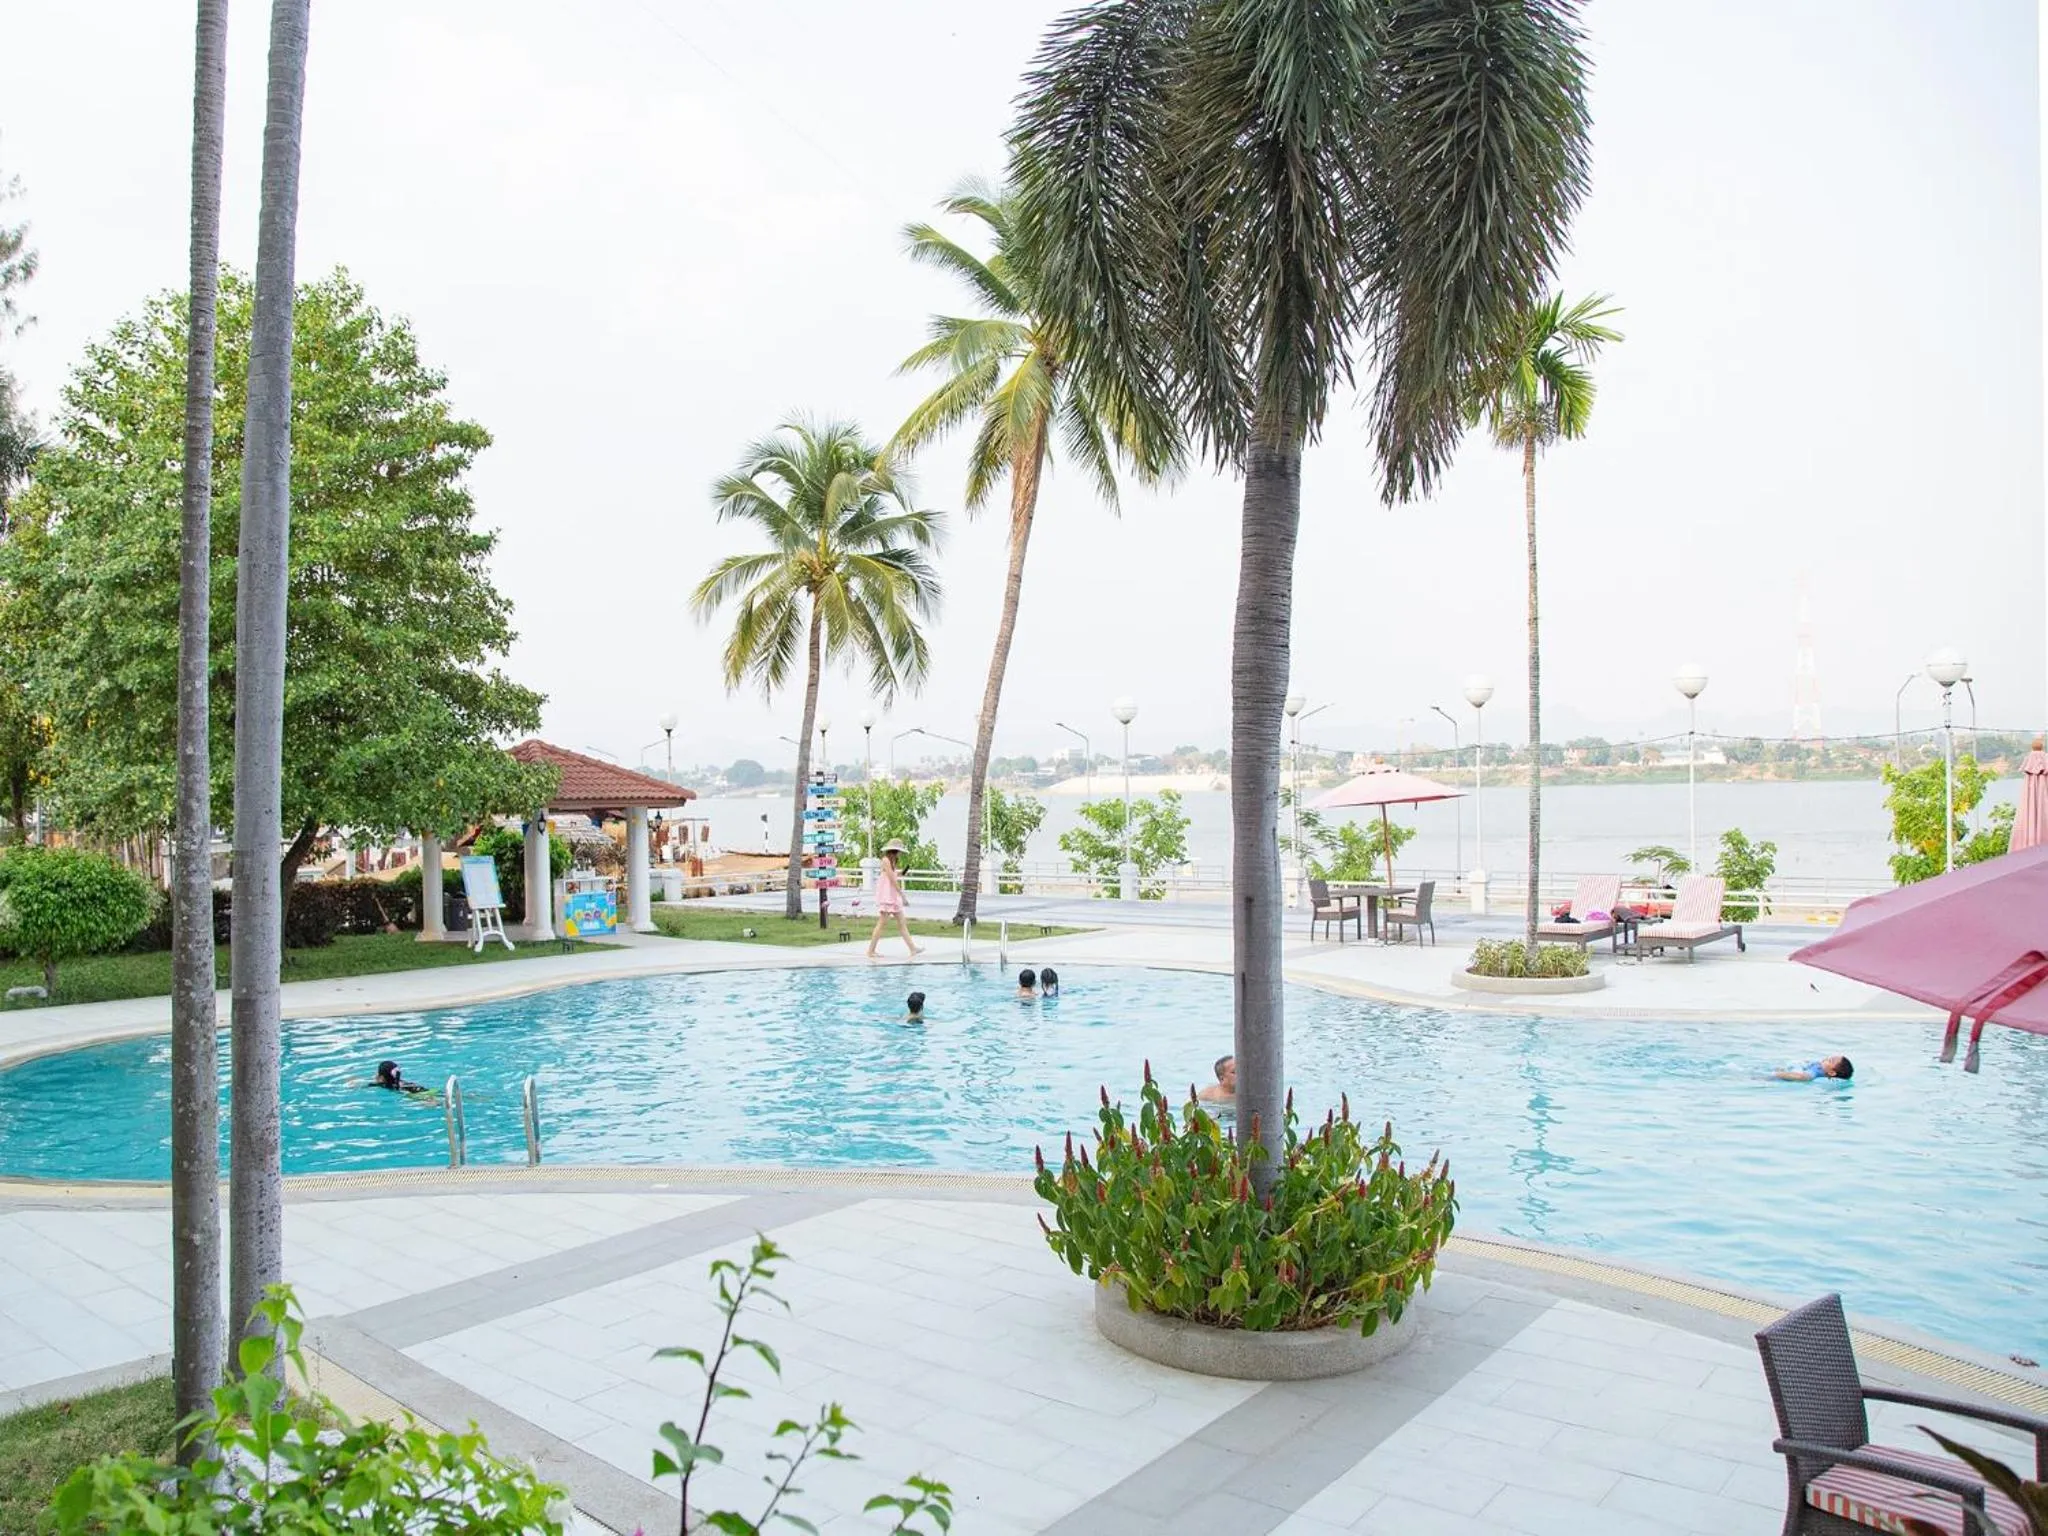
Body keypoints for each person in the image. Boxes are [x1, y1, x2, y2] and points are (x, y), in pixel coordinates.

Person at [865, 840, 922, 959]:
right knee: (881, 923)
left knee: (902, 923)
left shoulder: (893, 861)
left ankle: (912, 949)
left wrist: (902, 872)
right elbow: (891, 879)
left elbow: (894, 874)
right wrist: (903, 896)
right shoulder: (885, 860)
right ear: (894, 851)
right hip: (887, 895)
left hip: (892, 895)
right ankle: (871, 951)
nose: (899, 854)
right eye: (898, 852)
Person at [1774, 1055, 1854, 1082]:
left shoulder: (1816, 1071)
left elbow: (1802, 1077)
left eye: (1830, 1060)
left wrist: (1777, 1073)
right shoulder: (1819, 1065)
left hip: (1781, 1075)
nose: (1826, 1058)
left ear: (1831, 1073)